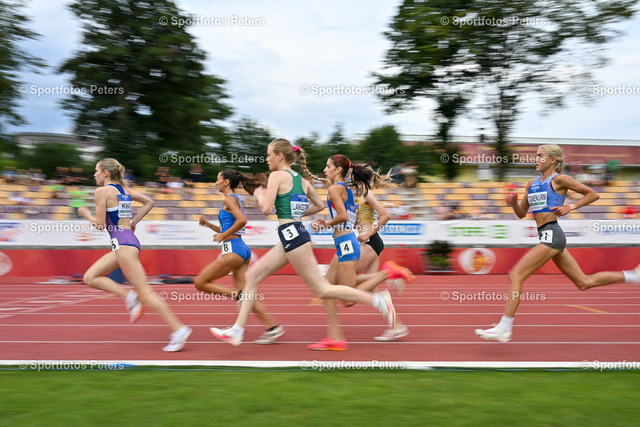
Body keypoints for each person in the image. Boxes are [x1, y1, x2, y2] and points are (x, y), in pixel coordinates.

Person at [210, 138, 409, 346]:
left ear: (280, 156)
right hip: (292, 234)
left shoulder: (277, 175)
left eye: (269, 155)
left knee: (323, 289)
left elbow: (266, 209)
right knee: (252, 276)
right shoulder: (301, 181)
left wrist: (260, 194)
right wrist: (294, 214)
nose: (267, 159)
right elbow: (318, 205)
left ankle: (378, 300)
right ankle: (238, 330)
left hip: (294, 237)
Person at [475, 145, 640, 342]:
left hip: (552, 234)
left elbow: (592, 194)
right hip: (548, 235)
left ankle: (504, 327)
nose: (536, 159)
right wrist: (513, 204)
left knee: (515, 275)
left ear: (553, 160)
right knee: (584, 282)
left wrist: (570, 206)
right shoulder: (531, 184)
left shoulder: (560, 180)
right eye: (536, 156)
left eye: (540, 156)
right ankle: (632, 276)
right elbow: (522, 214)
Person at [77, 158, 191, 351]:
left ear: (105, 173)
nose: (94, 174)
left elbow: (100, 225)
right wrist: (133, 223)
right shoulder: (124, 190)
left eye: (96, 170)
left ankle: (179, 329)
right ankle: (129, 296)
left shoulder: (102, 192)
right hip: (127, 242)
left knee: (145, 292)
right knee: (90, 277)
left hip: (123, 245)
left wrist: (86, 213)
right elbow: (149, 202)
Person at [307, 155, 414, 350]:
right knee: (352, 287)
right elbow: (349, 218)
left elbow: (385, 215)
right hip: (353, 240)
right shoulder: (351, 193)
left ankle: (387, 274)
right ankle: (396, 325)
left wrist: (367, 233)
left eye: (328, 166)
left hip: (364, 241)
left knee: (342, 291)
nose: (325, 169)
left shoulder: (364, 194)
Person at [195, 169, 284, 344]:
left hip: (234, 250)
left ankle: (237, 295)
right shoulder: (234, 199)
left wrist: (222, 235)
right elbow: (229, 229)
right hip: (241, 249)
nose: (216, 182)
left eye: (218, 179)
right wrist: (209, 226)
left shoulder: (229, 199)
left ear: (226, 182)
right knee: (247, 294)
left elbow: (242, 220)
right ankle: (273, 327)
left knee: (200, 282)